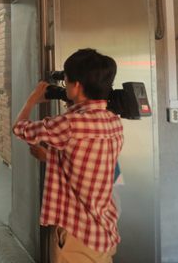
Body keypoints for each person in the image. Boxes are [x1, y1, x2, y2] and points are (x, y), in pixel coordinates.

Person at [13, 48, 123, 263]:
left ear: (77, 86)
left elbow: (20, 128)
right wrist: (50, 157)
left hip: (77, 234)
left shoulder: (70, 124)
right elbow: (85, 162)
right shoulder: (113, 120)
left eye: (67, 80)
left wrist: (32, 100)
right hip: (103, 229)